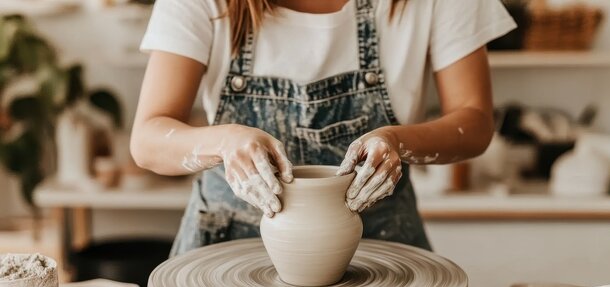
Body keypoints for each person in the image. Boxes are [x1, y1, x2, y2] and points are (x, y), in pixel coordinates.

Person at [132, 0, 515, 257]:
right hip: (226, 242)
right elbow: (147, 139)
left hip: (378, 242)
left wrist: (396, 141)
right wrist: (226, 140)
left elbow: (475, 120)